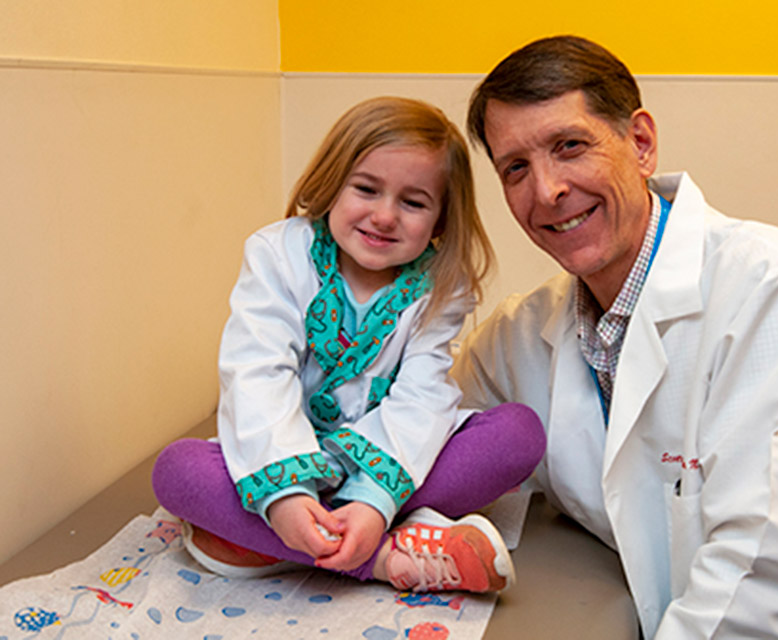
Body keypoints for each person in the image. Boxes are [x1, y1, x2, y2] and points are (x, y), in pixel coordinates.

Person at [452, 35, 778, 636]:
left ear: (642, 143)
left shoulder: (770, 285)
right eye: (515, 168)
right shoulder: (521, 335)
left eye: (569, 146)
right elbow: (427, 439)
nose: (546, 190)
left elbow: (766, 576)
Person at [152, 96, 545, 594]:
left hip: (386, 462)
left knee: (518, 433)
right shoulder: (277, 254)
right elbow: (257, 372)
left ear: (440, 221)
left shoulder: (445, 284)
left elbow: (421, 399)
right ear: (333, 184)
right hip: (285, 455)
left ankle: (272, 543)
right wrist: (286, 496)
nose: (384, 216)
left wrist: (373, 500)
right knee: (177, 471)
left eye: (413, 202)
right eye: (366, 189)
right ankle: (382, 558)